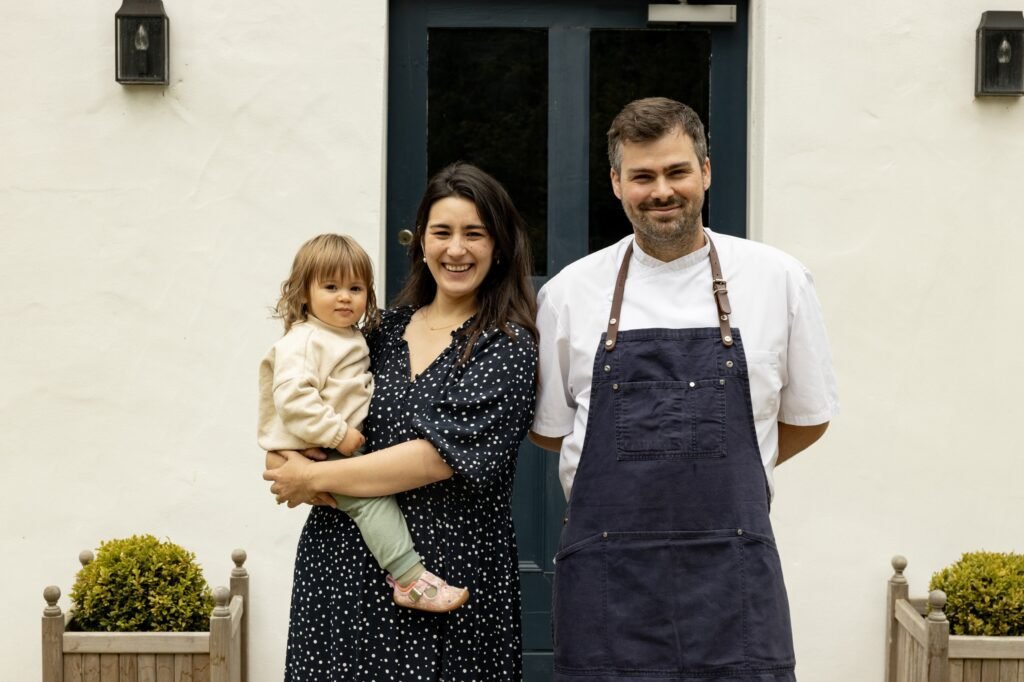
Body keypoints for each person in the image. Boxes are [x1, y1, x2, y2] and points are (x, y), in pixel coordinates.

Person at [529, 97, 839, 681]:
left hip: (733, 583)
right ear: (616, 183)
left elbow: (808, 418)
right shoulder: (569, 294)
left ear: (706, 171)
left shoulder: (779, 280)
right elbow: (552, 432)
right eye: (643, 176)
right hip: (608, 585)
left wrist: (734, 460)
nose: (662, 191)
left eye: (677, 171)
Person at [263, 162, 539, 681]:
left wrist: (312, 477)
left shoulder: (506, 346)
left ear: (499, 246)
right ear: (422, 243)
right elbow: (303, 403)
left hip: (447, 576)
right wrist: (287, 459)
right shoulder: (378, 332)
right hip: (342, 569)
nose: (456, 249)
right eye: (442, 232)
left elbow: (434, 459)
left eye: (474, 234)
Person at [258, 233, 469, 613]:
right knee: (372, 505)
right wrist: (339, 435)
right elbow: (293, 399)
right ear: (304, 293)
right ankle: (410, 579)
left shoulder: (346, 335)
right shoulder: (305, 341)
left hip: (326, 447)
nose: (344, 297)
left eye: (355, 288)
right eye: (331, 287)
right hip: (321, 448)